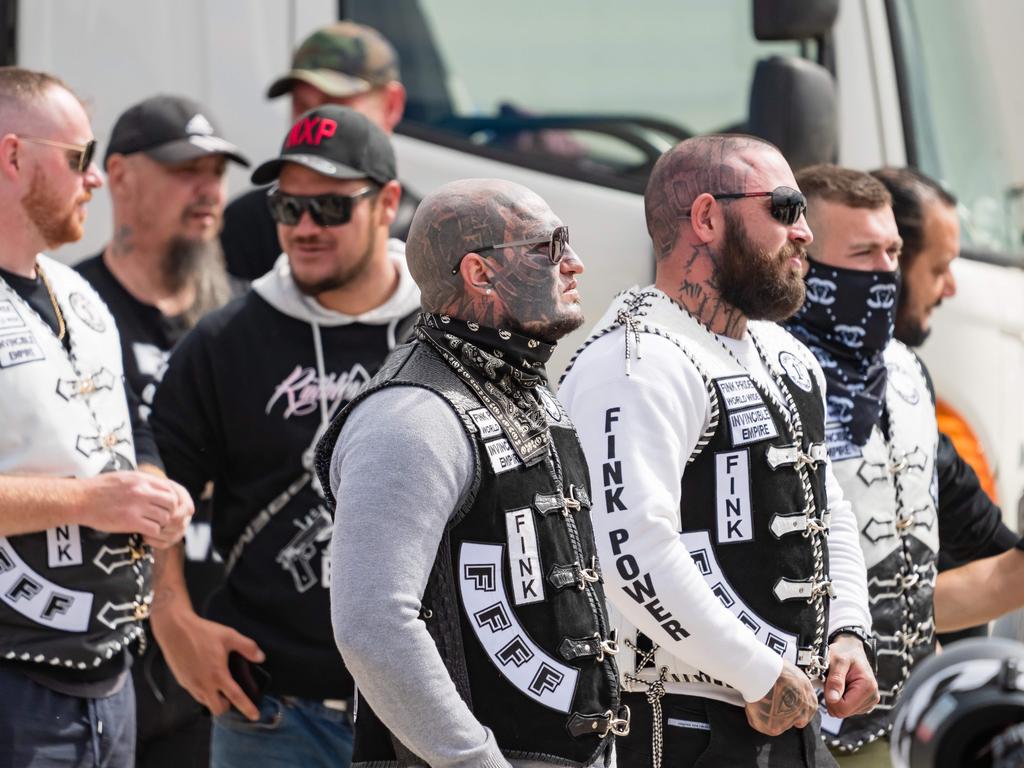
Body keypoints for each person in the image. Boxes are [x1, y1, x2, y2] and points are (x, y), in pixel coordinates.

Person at [559, 135, 878, 768]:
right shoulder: (635, 361)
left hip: (789, 713)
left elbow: (828, 507)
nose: (805, 232)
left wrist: (847, 629)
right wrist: (755, 668)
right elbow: (629, 552)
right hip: (675, 725)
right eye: (786, 209)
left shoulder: (786, 354)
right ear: (706, 218)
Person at [314, 177, 625, 768]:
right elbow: (372, 624)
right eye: (550, 247)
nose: (575, 264)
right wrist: (474, 762)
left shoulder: (516, 384)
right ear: (480, 273)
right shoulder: (411, 416)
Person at [148, 104, 420, 768]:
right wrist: (171, 619)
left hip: (424, 710)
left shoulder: (441, 330)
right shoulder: (225, 339)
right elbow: (148, 487)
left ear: (386, 202)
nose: (303, 228)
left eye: (329, 208)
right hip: (272, 714)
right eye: (286, 206)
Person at [785, 164, 1024, 765]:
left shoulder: (907, 380)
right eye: (863, 253)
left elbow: (940, 588)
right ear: (801, 256)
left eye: (892, 251)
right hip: (786, 728)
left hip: (890, 726)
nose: (886, 272)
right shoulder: (755, 375)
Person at [0, 67, 192, 766]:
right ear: (13, 156)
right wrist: (87, 502)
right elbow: (90, 491)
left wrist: (153, 488)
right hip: (14, 688)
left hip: (110, 680)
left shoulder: (78, 291)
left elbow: (126, 429)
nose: (97, 178)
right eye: (79, 157)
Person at [76, 94, 250, 768]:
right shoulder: (71, 311)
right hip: (100, 657)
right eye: (186, 169)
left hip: (230, 660)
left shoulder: (245, 318)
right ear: (118, 175)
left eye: (217, 171)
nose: (208, 189)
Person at [870, 167, 1018, 645]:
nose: (950, 287)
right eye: (938, 269)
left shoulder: (903, 383)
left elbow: (987, 545)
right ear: (885, 264)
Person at [221, 21, 414, 281]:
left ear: (392, 105)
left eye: (335, 103)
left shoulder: (433, 232)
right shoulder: (246, 225)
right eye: (301, 105)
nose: (316, 120)